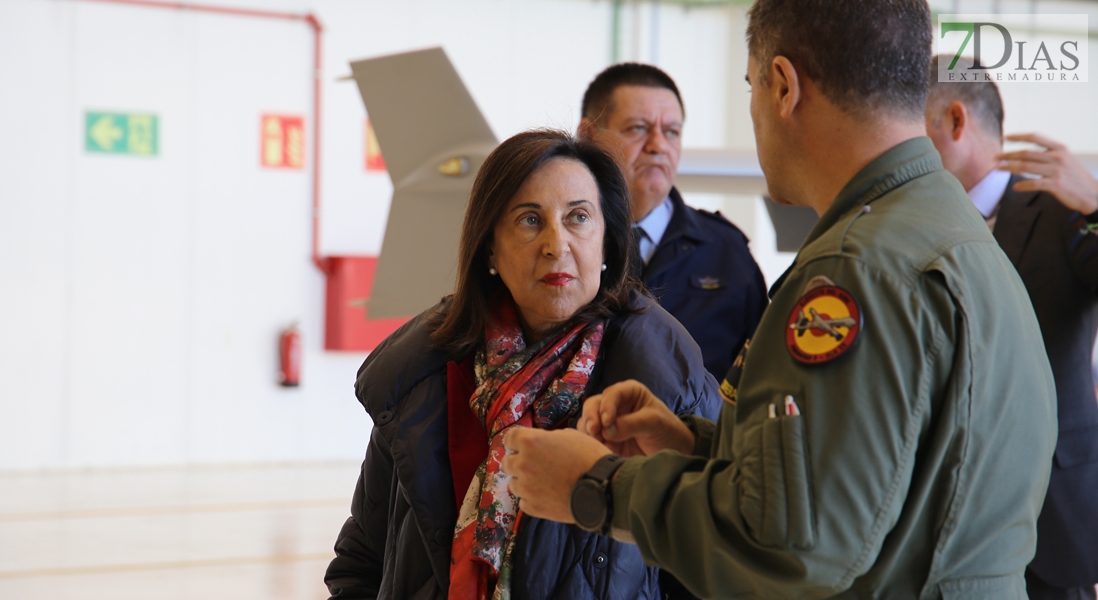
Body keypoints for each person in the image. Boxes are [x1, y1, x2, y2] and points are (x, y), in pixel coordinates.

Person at [503, 0, 1058, 597]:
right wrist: (700, 445)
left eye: (751, 83)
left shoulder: (857, 272)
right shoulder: (953, 232)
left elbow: (793, 546)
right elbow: (884, 479)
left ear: (783, 86)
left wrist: (598, 487)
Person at [323, 129, 722, 600]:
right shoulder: (423, 375)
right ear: (490, 248)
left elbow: (711, 567)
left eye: (578, 217)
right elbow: (362, 561)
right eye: (530, 220)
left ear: (608, 244)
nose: (556, 244)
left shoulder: (666, 385)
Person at [925, 56, 1098, 600]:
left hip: (1054, 514)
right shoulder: (913, 222)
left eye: (911, 130)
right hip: (944, 527)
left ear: (956, 122)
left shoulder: (1066, 208)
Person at [578, 63, 767, 382]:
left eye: (671, 132)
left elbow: (762, 379)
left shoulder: (726, 254)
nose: (658, 145)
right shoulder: (559, 246)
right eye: (638, 128)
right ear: (587, 136)